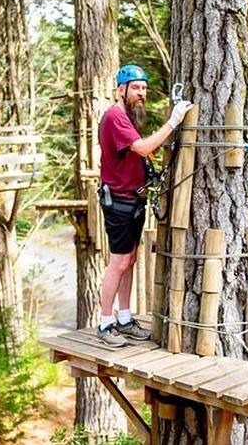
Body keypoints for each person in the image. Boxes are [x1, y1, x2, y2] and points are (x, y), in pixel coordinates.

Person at [96, 64, 193, 347]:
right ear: (121, 90)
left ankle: (124, 319)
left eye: (144, 88)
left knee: (130, 260)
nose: (142, 94)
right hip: (120, 202)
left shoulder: (126, 116)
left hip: (132, 200)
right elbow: (142, 148)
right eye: (136, 88)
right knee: (119, 262)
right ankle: (105, 324)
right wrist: (173, 122)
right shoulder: (115, 117)